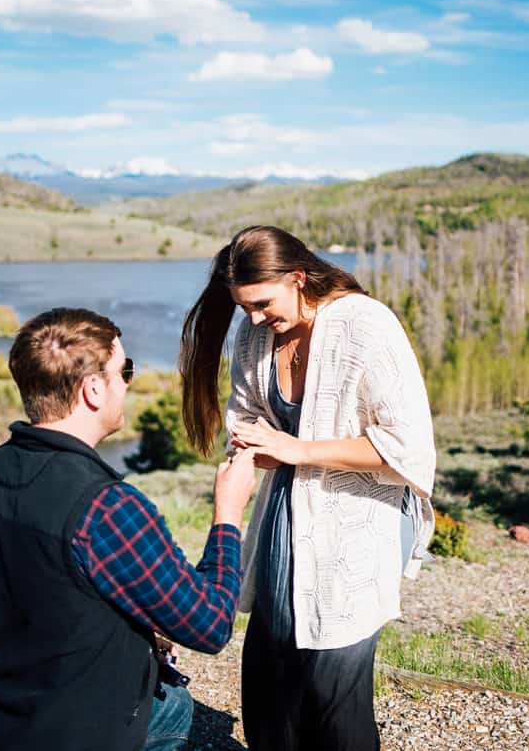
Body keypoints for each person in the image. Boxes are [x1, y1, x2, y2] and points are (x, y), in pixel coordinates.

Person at [0, 307, 258, 751]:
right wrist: (228, 512)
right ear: (93, 389)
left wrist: (141, 637)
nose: (128, 382)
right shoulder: (107, 507)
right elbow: (210, 626)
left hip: (5, 722)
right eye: (125, 370)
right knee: (174, 704)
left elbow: (48, 590)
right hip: (87, 732)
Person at [179, 225, 436, 751]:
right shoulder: (255, 332)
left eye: (262, 304)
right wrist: (253, 447)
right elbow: (248, 417)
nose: (252, 319)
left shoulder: (366, 326)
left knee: (333, 691)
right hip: (283, 518)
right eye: (242, 306)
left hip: (360, 518)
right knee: (269, 682)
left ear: (298, 278)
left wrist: (298, 450)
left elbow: (407, 444)